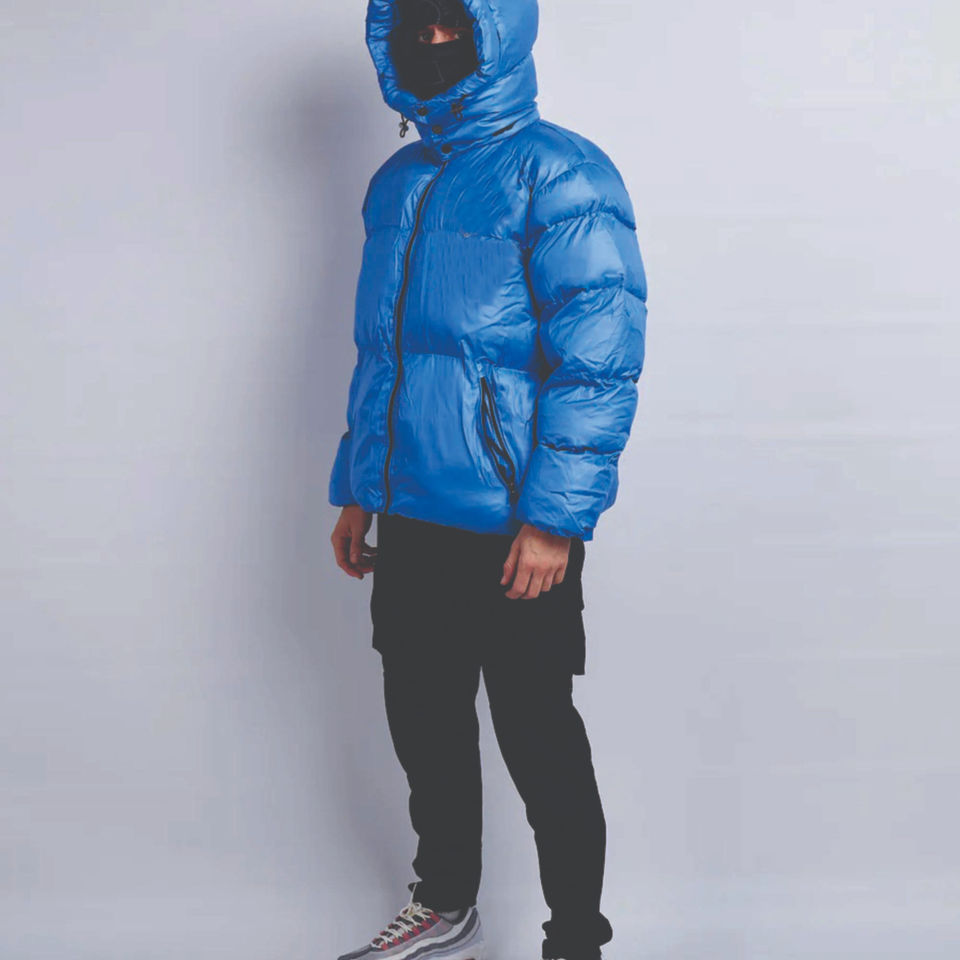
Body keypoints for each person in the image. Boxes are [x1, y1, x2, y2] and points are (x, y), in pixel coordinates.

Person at [329, 1, 647, 958]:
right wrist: (360, 487)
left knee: (537, 734)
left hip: (515, 525)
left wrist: (555, 521)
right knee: (421, 719)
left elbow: (599, 362)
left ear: (497, 30)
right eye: (414, 25)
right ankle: (446, 903)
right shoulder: (398, 183)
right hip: (410, 512)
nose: (431, 44)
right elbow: (385, 355)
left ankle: (576, 937)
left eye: (451, 24)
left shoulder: (563, 173)